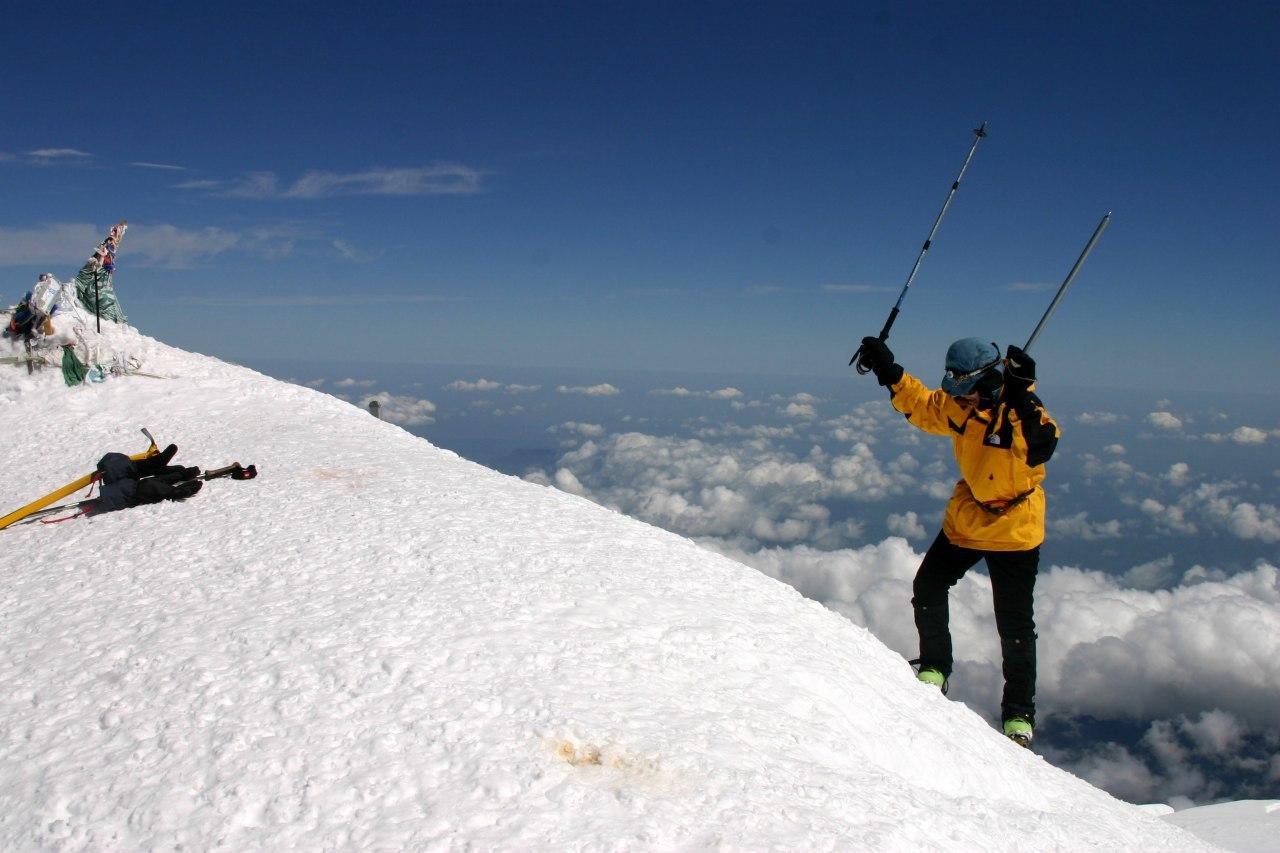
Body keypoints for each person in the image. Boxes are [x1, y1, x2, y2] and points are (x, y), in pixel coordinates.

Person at [858, 335, 1059, 746]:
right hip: (968, 519)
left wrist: (1021, 394)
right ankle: (935, 668)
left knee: (1015, 623)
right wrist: (887, 369)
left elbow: (1042, 445)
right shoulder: (960, 409)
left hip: (1014, 529)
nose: (960, 398)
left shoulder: (1021, 413)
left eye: (966, 390)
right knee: (928, 586)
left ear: (986, 381)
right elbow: (923, 405)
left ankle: (1019, 713)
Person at [89, 444, 202, 515]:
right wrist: (175, 492)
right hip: (125, 491)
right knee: (147, 486)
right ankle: (154, 466)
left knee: (112, 463)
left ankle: (156, 465)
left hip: (125, 485)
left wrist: (179, 476)